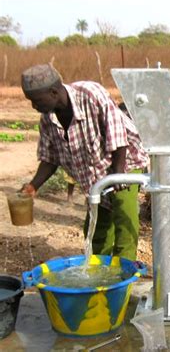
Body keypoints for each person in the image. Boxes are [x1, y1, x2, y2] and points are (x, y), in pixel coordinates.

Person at [20, 64, 149, 261]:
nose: (33, 106)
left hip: (124, 161)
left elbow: (117, 132)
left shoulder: (90, 94)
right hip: (94, 174)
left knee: (124, 217)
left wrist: (117, 174)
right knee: (97, 226)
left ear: (53, 92)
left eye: (36, 101)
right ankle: (99, 269)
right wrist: (33, 186)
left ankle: (124, 272)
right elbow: (49, 158)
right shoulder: (48, 120)